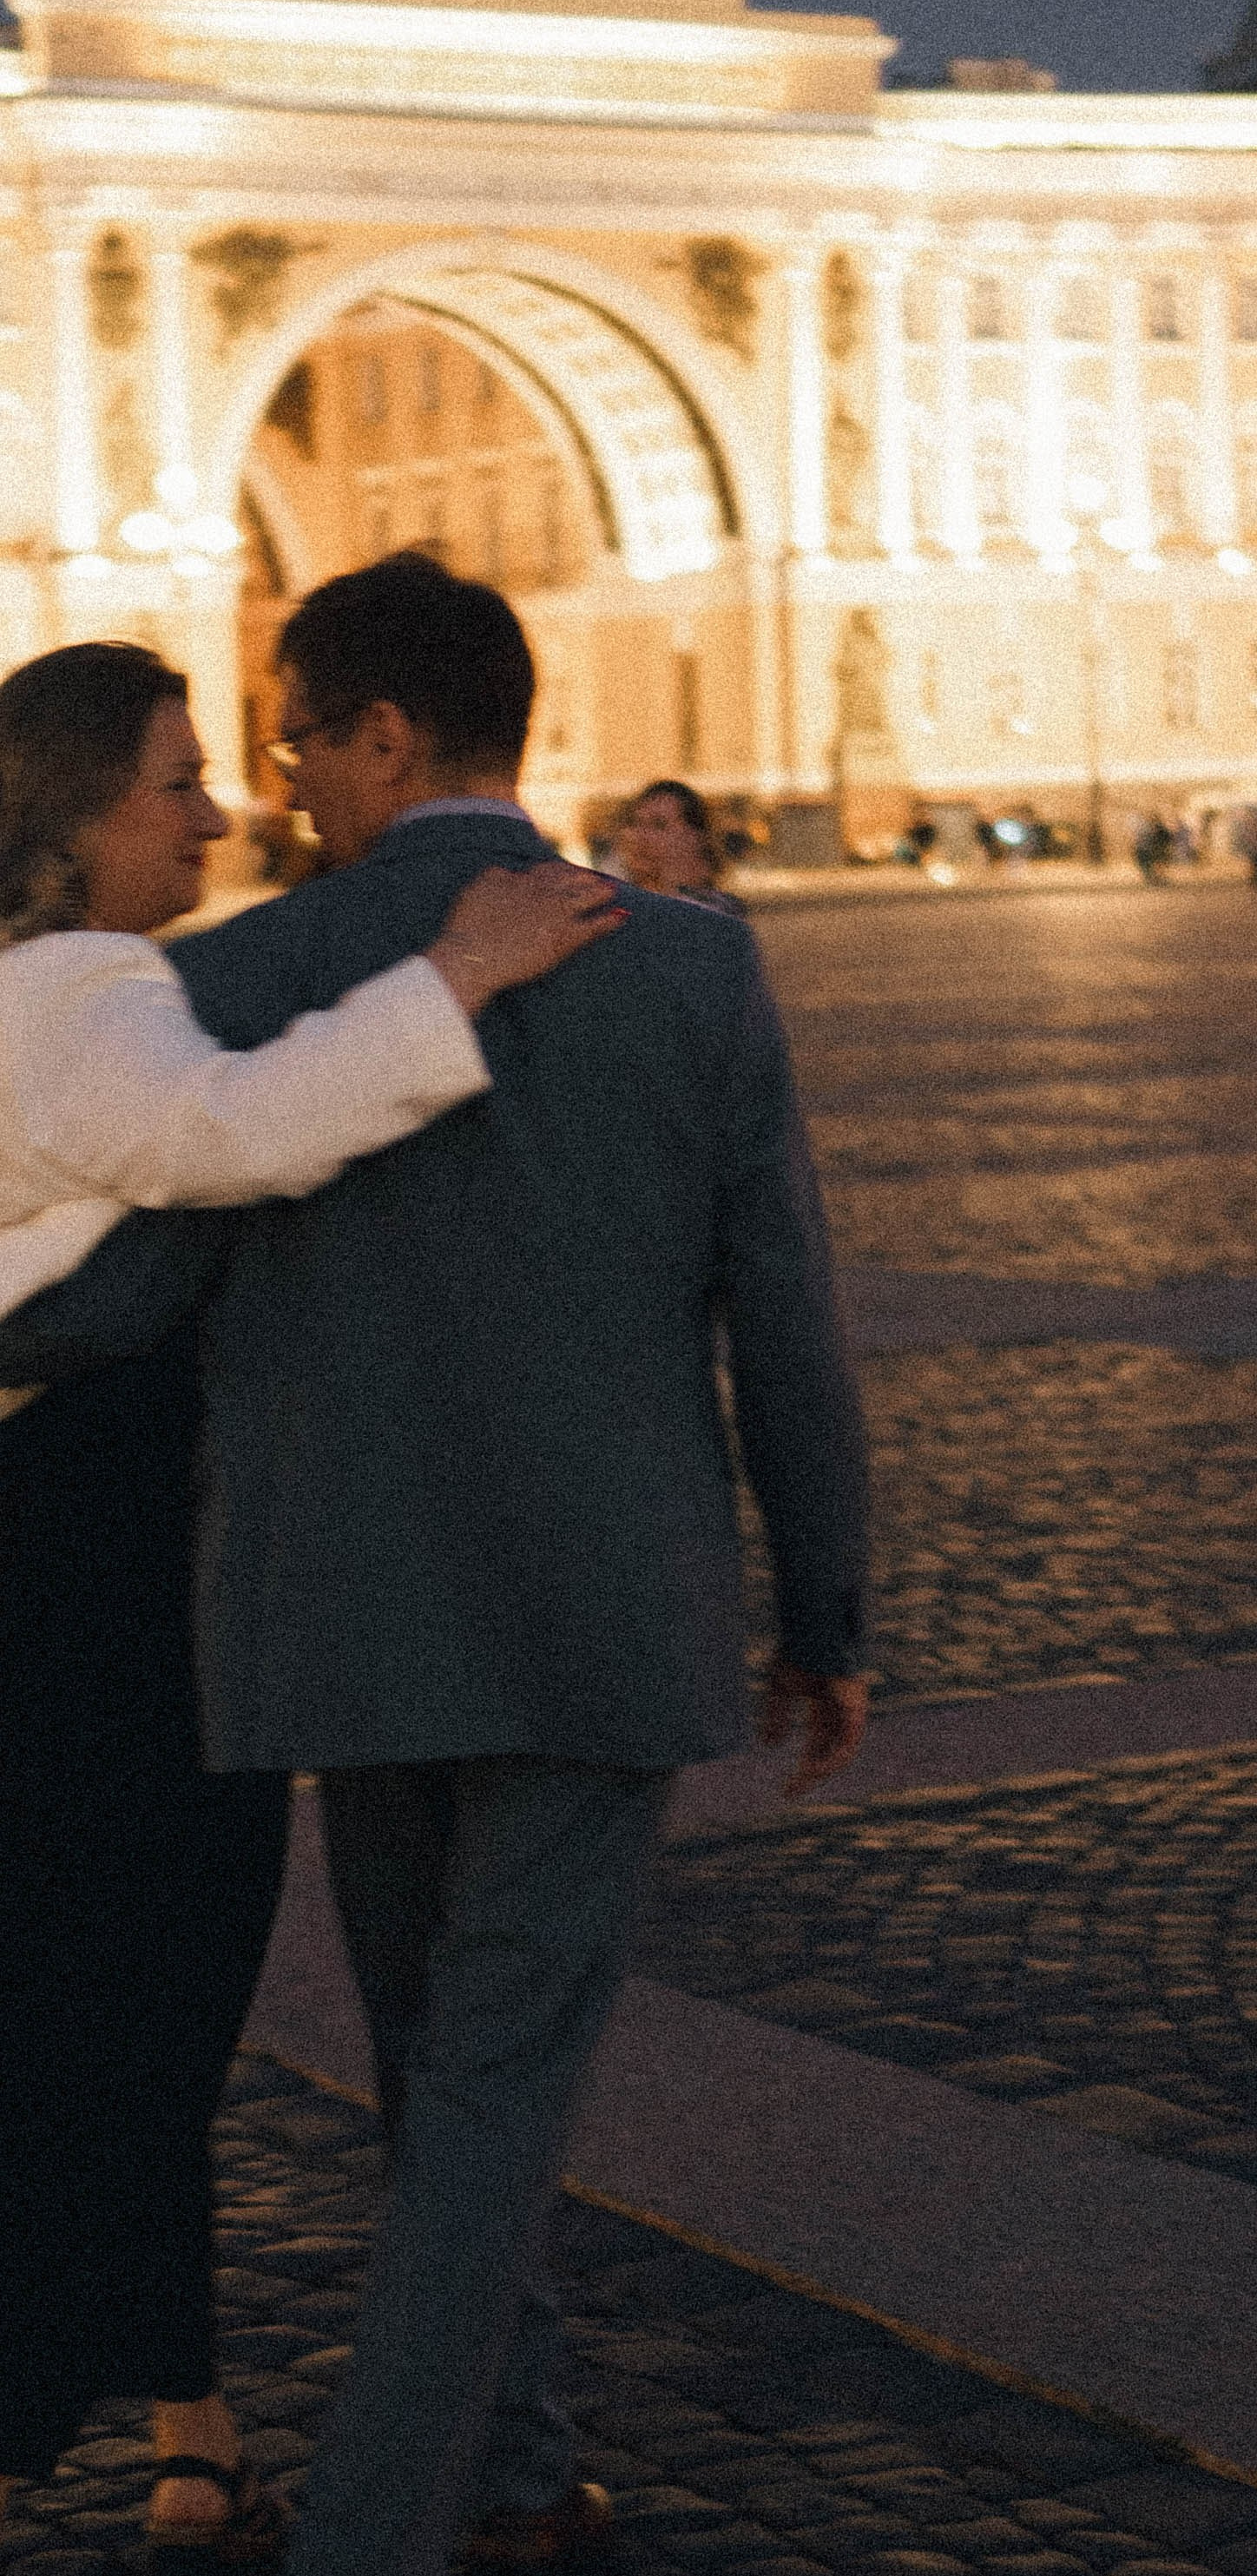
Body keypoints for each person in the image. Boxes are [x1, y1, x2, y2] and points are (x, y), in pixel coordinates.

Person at [0, 554, 871, 2576]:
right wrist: (823, 1611)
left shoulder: (234, 975)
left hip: (333, 1620)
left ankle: (524, 2466)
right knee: (485, 2086)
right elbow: (788, 1323)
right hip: (595, 1613)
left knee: (440, 2070)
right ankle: (385, 2532)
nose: (272, 784)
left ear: (385, 734)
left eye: (293, 736)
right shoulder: (691, 964)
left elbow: (120, 1298)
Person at [0, 640, 617, 2557]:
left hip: (68, 1560)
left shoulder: (58, 984)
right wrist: (458, 971)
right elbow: (242, 1129)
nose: (216, 810)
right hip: (88, 1585)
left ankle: (183, 2421)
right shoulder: (86, 987)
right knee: (117, 2004)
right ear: (74, 814)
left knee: (112, 1999)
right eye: (176, 781)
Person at [616, 776, 746, 912]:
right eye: (633, 822)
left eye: (659, 825)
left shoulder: (717, 913)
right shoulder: (613, 910)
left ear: (696, 838)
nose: (640, 836)